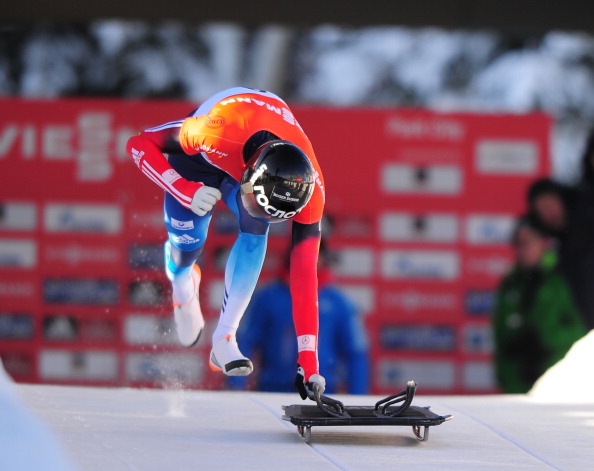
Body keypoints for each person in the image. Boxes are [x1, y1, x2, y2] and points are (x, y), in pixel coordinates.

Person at [125, 87, 327, 399]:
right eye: (259, 203)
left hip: (246, 164)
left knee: (256, 225)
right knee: (187, 247)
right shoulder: (214, 130)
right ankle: (181, 280)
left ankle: (225, 337)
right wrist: (183, 190)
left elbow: (304, 273)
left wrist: (308, 360)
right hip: (199, 162)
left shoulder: (311, 189)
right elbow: (139, 142)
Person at [230, 240, 370, 394]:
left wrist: (357, 397)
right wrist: (236, 386)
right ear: (290, 257)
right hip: (272, 390)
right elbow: (245, 341)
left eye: (314, 254)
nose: (307, 259)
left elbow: (356, 353)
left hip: (320, 392)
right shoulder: (268, 297)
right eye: (301, 253)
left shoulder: (338, 303)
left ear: (323, 258)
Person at [493, 214, 586, 393]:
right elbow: (501, 337)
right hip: (516, 386)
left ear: (542, 243)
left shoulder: (562, 280)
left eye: (528, 242)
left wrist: (542, 340)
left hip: (556, 386)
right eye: (518, 243)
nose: (523, 249)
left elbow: (580, 332)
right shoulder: (510, 283)